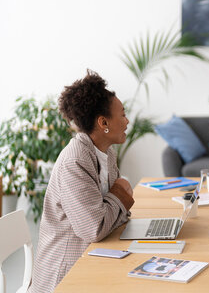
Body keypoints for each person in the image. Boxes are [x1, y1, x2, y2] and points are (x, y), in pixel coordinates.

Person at [29, 71, 135, 293]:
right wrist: (119, 196)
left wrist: (116, 201)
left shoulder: (106, 153)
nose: (127, 121)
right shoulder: (76, 160)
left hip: (91, 258)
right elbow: (95, 229)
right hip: (64, 277)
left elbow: (117, 214)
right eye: (122, 115)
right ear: (103, 122)